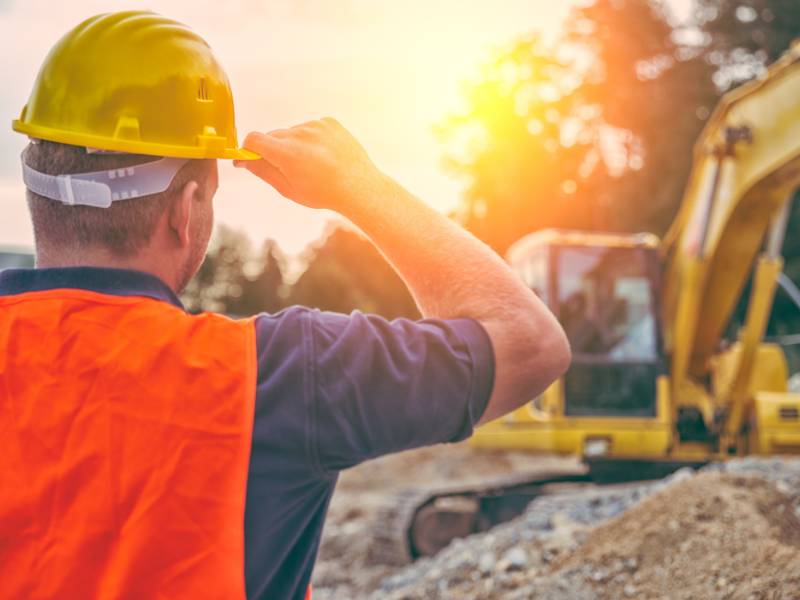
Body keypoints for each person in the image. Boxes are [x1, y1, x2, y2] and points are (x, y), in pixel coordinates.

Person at [1, 11, 570, 600]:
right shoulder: (278, 375)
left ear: (37, 183)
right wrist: (359, 187)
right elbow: (529, 342)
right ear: (186, 208)